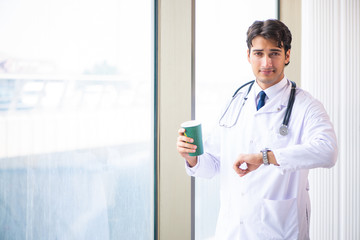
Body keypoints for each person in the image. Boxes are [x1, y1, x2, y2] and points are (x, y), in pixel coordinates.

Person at [176, 19, 338, 239]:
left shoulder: (306, 105)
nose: (266, 62)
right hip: (231, 230)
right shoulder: (235, 101)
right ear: (248, 55)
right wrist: (192, 158)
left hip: (278, 230)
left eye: (274, 53)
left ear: (287, 56)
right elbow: (214, 165)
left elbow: (327, 151)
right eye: (259, 53)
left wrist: (266, 157)